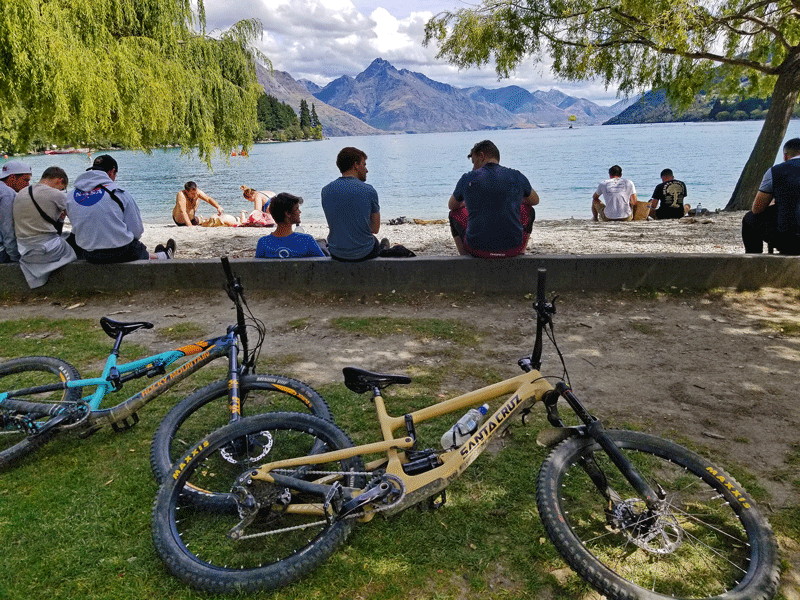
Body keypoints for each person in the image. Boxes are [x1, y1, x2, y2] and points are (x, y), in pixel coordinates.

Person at [66, 154, 175, 263]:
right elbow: (137, 231)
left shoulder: (72, 195)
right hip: (119, 252)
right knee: (135, 247)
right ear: (111, 172)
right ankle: (163, 256)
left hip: (89, 253)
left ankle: (160, 254)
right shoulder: (118, 193)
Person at [447, 140, 539, 258]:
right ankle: (520, 254)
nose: (473, 168)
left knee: (454, 214)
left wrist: (467, 202)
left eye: (474, 162)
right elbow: (534, 200)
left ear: (482, 156)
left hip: (477, 249)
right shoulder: (516, 176)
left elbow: (452, 206)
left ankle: (465, 258)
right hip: (513, 249)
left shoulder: (467, 178)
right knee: (529, 210)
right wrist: (513, 198)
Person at [12, 166, 77, 288]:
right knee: (74, 244)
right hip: (46, 250)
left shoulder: (21, 193)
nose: (61, 191)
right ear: (59, 180)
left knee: (64, 235)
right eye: (62, 188)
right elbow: (77, 220)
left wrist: (59, 219)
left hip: (24, 250)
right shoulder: (55, 194)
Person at [321, 147, 388, 261]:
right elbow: (375, 229)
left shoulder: (325, 191)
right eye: (364, 164)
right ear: (356, 165)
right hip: (365, 252)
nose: (366, 170)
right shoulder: (369, 190)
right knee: (381, 242)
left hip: (337, 252)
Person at [742, 137, 800, 254]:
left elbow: (757, 209)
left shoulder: (774, 171)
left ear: (785, 156)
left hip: (788, 241)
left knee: (749, 218)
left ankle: (754, 259)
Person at [255, 193, 326, 258]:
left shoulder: (263, 242)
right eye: (297, 209)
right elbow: (324, 264)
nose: (300, 212)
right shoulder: (307, 240)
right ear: (287, 213)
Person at [0, 160, 32, 263]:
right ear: (12, 177)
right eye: (25, 180)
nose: (27, 184)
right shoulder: (7, 193)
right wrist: (14, 257)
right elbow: (7, 229)